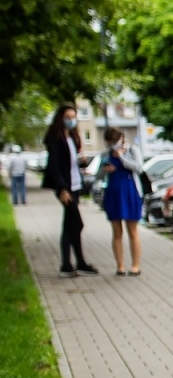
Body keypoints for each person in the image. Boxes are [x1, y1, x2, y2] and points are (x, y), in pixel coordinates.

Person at [41, 104, 98, 277]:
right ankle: (68, 264)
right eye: (68, 116)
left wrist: (82, 162)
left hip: (74, 185)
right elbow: (55, 165)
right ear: (61, 117)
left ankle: (76, 263)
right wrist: (61, 189)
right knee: (76, 224)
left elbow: (71, 161)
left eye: (74, 117)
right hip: (64, 187)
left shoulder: (72, 137)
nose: (71, 120)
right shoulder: (55, 137)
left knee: (70, 225)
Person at [99, 127, 144, 276]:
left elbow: (139, 168)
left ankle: (135, 265)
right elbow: (98, 174)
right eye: (111, 141)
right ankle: (120, 266)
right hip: (113, 192)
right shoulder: (106, 153)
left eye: (117, 139)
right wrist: (105, 170)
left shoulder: (132, 150)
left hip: (130, 192)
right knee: (116, 231)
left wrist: (122, 157)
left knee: (132, 230)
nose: (114, 143)